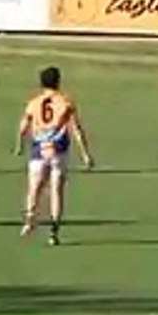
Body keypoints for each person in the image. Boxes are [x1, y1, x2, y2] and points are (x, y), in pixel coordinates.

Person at [15, 66, 95, 246]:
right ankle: (54, 232)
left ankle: (30, 220)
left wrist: (20, 145)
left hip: (38, 149)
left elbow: (23, 126)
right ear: (58, 81)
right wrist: (85, 154)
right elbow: (76, 130)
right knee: (56, 190)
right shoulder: (65, 102)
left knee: (34, 187)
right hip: (58, 150)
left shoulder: (34, 103)